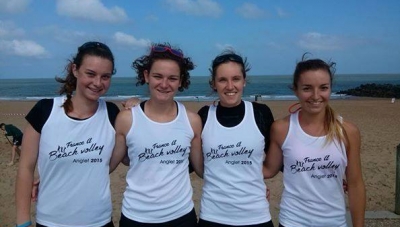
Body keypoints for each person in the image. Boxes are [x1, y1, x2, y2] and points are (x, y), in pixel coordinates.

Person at [15, 41, 120, 227]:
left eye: (105, 76)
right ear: (75, 70)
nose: (97, 83)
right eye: (90, 74)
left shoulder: (112, 114)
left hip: (99, 221)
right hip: (51, 221)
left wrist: (137, 105)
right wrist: (23, 221)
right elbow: (26, 167)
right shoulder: (45, 110)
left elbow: (121, 159)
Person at [263, 54, 366, 227]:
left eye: (323, 88)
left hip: (334, 222)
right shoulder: (281, 129)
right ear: (296, 90)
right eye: (307, 88)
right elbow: (268, 170)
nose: (316, 95)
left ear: (330, 89)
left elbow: (355, 184)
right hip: (292, 221)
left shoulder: (348, 132)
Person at [109, 42, 203, 227]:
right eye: (157, 76)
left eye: (172, 78)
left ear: (181, 80)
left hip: (182, 216)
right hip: (136, 217)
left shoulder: (192, 121)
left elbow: (202, 169)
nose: (164, 84)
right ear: (146, 76)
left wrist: (251, 183)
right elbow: (107, 165)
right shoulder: (127, 119)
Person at [197, 50, 275, 227]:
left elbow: (275, 164)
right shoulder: (203, 116)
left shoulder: (260, 113)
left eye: (236, 79)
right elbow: (196, 165)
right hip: (212, 216)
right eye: (223, 80)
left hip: (256, 216)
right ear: (213, 84)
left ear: (244, 81)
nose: (230, 86)